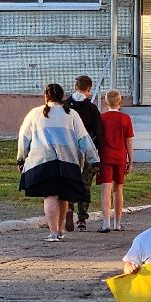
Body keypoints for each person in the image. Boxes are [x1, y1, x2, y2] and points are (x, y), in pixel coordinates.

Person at [17, 83, 98, 243]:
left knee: (50, 196)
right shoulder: (71, 114)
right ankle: (60, 230)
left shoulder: (34, 114)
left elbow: (24, 137)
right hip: (68, 160)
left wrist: (21, 157)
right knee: (63, 196)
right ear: (62, 96)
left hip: (43, 160)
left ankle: (53, 233)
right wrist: (94, 160)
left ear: (46, 96)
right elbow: (84, 138)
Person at [66, 75, 102, 232]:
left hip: (67, 151)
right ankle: (82, 218)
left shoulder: (65, 106)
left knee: (68, 181)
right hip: (87, 151)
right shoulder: (92, 109)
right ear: (89, 89)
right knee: (85, 184)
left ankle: (68, 208)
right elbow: (99, 132)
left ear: (75, 87)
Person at [96, 89, 134, 233]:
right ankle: (117, 223)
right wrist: (131, 161)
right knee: (118, 190)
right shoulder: (125, 119)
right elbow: (129, 141)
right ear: (120, 102)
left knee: (106, 189)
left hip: (104, 156)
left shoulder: (101, 118)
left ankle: (106, 222)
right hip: (120, 157)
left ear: (106, 102)